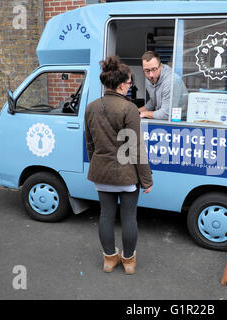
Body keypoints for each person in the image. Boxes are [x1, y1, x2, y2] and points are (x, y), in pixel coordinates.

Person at [85, 56, 153, 275]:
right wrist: (147, 179)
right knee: (128, 217)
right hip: (126, 176)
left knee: (106, 215)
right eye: (130, 82)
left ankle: (108, 260)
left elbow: (90, 144)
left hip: (101, 173)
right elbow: (135, 148)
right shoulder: (129, 108)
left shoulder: (91, 107)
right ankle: (129, 262)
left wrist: (97, 163)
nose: (130, 85)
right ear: (123, 84)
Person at [138, 51, 187, 120]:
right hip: (162, 119)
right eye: (147, 71)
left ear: (160, 66)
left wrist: (145, 113)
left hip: (180, 122)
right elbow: (153, 102)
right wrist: (136, 111)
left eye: (154, 69)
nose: (151, 75)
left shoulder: (171, 81)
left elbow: (166, 114)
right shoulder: (149, 78)